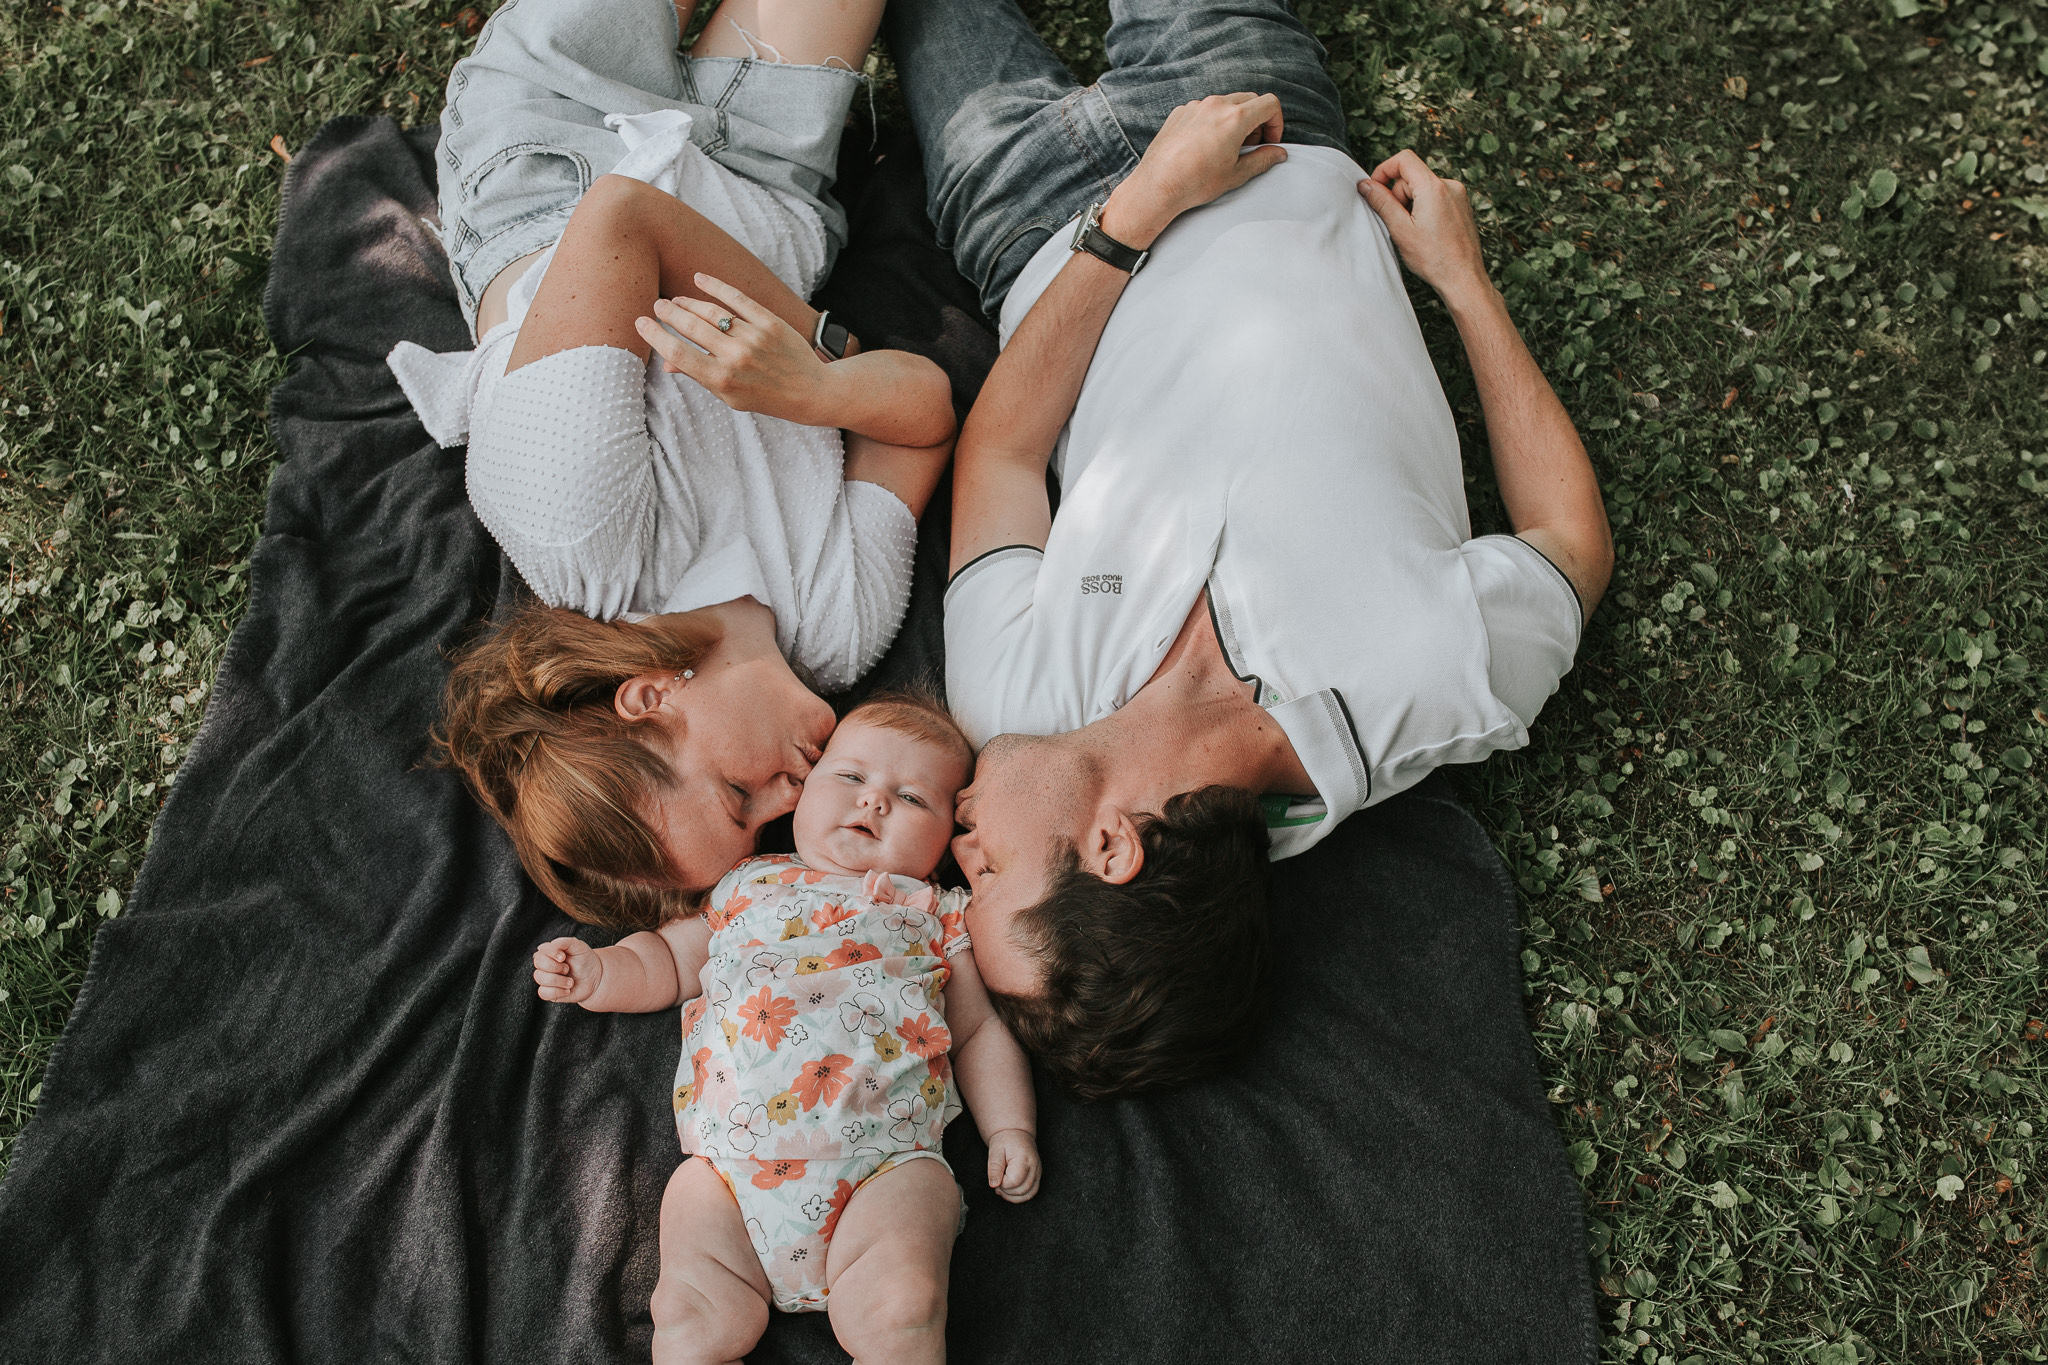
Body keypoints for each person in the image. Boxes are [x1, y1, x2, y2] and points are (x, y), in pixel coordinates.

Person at [882, 0, 1615, 1097]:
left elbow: (1000, 454)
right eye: (984, 881)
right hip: (1260, 129)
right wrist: (1462, 281)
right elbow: (1569, 540)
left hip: (1028, 213)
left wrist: (1137, 210)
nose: (955, 854)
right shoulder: (1430, 682)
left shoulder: (1009, 705)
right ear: (1114, 850)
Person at [390, 0, 958, 933]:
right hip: (766, 190)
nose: (793, 799)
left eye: (741, 796)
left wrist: (814, 349)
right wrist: (811, 394)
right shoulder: (835, 633)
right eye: (768, 824)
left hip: (557, 158)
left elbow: (623, 221)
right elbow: (924, 417)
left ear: (648, 699)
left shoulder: (577, 530)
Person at [532, 693, 1040, 1363]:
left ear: (947, 841)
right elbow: (668, 958)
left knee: (903, 1304)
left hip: (883, 1167)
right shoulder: (745, 885)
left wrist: (1011, 1127)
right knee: (685, 1306)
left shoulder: (935, 913)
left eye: (912, 798)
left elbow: (978, 1032)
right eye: (851, 777)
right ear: (804, 793)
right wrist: (603, 972)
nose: (874, 801)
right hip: (732, 1177)